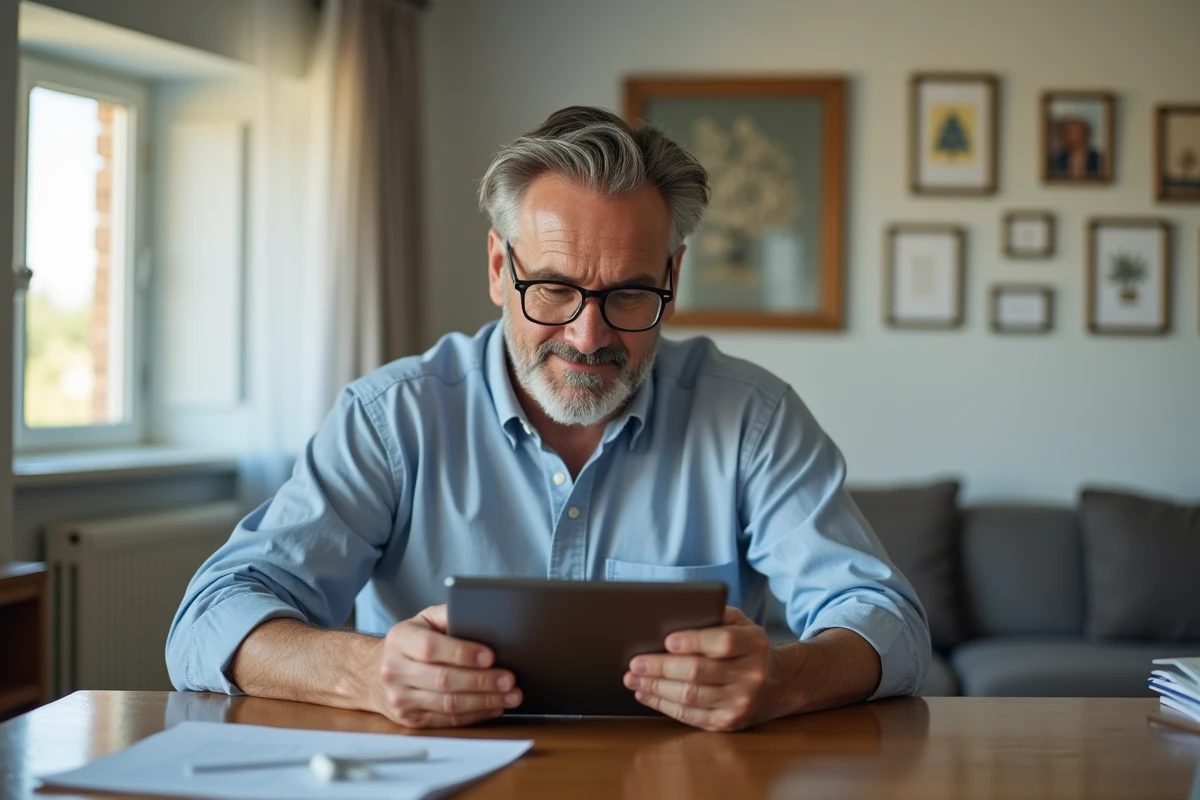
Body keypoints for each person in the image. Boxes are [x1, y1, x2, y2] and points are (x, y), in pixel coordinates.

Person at [166, 106, 930, 733]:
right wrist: (366, 671)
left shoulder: (751, 420)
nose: (589, 337)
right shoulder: (391, 418)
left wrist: (784, 678)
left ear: (673, 275)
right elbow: (210, 619)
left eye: (630, 294)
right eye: (555, 290)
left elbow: (889, 620)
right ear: (500, 268)